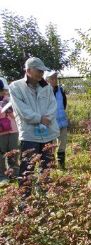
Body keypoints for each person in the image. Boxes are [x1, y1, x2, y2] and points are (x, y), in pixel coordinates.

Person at [9, 57, 60, 197]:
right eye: (38, 70)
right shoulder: (15, 87)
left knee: (47, 166)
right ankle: (25, 200)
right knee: (28, 168)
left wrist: (47, 119)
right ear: (28, 69)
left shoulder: (47, 87)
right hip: (30, 134)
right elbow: (22, 110)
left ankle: (44, 195)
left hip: (47, 133)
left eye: (42, 71)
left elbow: (52, 106)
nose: (41, 73)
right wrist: (39, 119)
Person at [44, 70, 68, 170]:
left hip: (62, 122)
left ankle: (61, 165)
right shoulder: (44, 91)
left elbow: (64, 103)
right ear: (46, 80)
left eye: (55, 78)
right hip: (50, 123)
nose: (54, 80)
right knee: (51, 146)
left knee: (62, 144)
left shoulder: (60, 90)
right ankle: (51, 166)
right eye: (52, 78)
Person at [0, 77, 19, 182]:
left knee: (13, 152)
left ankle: (14, 173)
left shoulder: (9, 99)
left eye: (2, 90)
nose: (3, 92)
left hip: (13, 130)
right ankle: (2, 176)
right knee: (1, 153)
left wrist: (10, 109)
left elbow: (15, 115)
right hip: (1, 132)